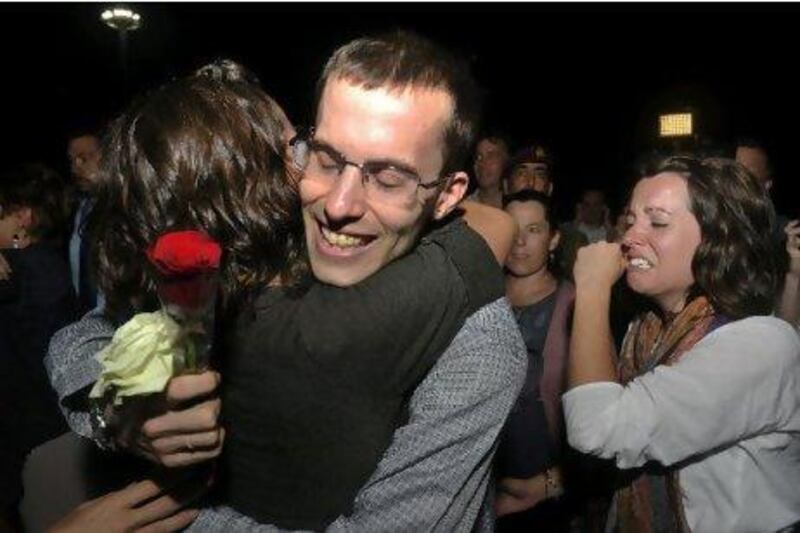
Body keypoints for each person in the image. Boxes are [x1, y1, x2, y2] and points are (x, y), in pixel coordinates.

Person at [48, 31, 526, 531]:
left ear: (447, 196)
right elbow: (83, 334)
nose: (340, 206)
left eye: (389, 178)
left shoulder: (474, 340)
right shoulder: (248, 262)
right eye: (324, 157)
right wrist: (121, 414)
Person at [564, 155, 800, 532]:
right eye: (630, 220)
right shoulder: (647, 328)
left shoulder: (758, 345)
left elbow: (598, 429)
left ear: (716, 239)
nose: (629, 238)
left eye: (657, 222)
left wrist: (591, 289)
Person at [0, 164, 77, 529]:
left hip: (35, 444)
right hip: (54, 433)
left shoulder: (22, 271)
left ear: (22, 218)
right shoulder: (49, 262)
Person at [494, 189, 575, 530]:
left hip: (545, 493)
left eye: (534, 229)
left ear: (554, 239)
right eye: (512, 229)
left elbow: (600, 414)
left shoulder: (576, 305)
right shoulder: (480, 297)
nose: (519, 242)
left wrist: (551, 485)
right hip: (483, 484)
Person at [66, 129, 103, 314]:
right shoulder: (77, 208)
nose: (75, 168)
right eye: (72, 161)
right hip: (84, 325)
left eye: (83, 158)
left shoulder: (131, 207)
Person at [470, 132, 511, 208]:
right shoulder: (464, 209)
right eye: (478, 157)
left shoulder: (518, 206)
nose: (482, 163)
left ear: (505, 161)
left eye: (491, 156)